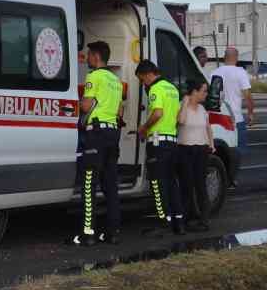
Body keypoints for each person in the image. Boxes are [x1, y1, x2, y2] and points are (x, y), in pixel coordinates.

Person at [74, 41, 124, 245]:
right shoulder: (116, 80)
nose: (86, 58)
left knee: (89, 184)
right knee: (111, 186)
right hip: (113, 135)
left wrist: (73, 104)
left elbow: (86, 105)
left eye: (88, 55)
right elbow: (120, 111)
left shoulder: (93, 76)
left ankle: (88, 234)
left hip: (96, 134)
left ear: (96, 56)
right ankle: (112, 233)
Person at [135, 59, 183, 234]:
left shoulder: (155, 89)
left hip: (157, 141)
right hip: (171, 140)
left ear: (148, 74)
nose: (143, 84)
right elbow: (178, 118)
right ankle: (178, 222)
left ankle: (163, 222)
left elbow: (157, 113)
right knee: (172, 182)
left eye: (142, 80)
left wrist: (143, 128)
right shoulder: (172, 88)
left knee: (157, 182)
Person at [175, 79, 215, 233]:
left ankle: (203, 220)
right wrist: (185, 103)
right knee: (186, 185)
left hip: (201, 150)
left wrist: (211, 144)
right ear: (194, 92)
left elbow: (208, 127)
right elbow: (181, 121)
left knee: (200, 185)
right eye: (203, 91)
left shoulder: (202, 109)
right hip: (185, 150)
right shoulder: (182, 105)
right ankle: (185, 219)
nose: (206, 94)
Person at [212, 46, 254, 152]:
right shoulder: (241, 73)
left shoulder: (214, 73)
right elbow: (248, 96)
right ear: (236, 58)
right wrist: (250, 114)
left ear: (224, 57)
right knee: (238, 151)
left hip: (218, 119)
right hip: (236, 119)